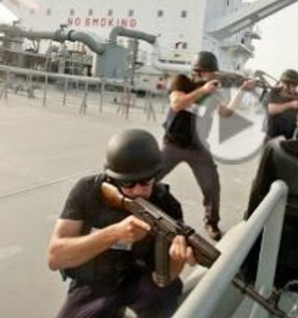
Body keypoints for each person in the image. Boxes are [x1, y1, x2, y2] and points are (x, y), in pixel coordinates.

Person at [47, 129, 196, 318]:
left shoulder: (167, 205)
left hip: (140, 280)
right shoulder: (88, 191)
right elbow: (55, 257)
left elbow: (163, 280)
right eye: (128, 184)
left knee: (164, 299)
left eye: (145, 182)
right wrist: (114, 234)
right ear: (112, 178)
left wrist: (177, 259)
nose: (137, 191)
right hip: (93, 284)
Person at [159, 51, 254, 241]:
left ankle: (212, 223)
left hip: (198, 148)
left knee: (212, 186)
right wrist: (203, 91)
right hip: (173, 144)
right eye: (211, 73)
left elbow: (226, 112)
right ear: (200, 72)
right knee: (149, 177)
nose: (213, 77)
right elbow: (177, 104)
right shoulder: (181, 81)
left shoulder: (213, 92)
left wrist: (242, 90)